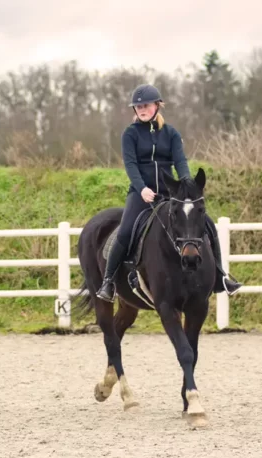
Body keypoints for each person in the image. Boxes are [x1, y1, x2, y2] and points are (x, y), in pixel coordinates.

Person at [96, 84, 242, 302]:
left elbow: (180, 161)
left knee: (208, 225)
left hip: (170, 193)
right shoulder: (130, 134)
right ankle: (108, 282)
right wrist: (142, 188)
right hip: (141, 193)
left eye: (145, 105)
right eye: (137, 107)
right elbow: (131, 165)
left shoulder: (171, 133)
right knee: (125, 231)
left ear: (157, 106)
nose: (141, 109)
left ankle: (221, 276)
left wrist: (186, 184)